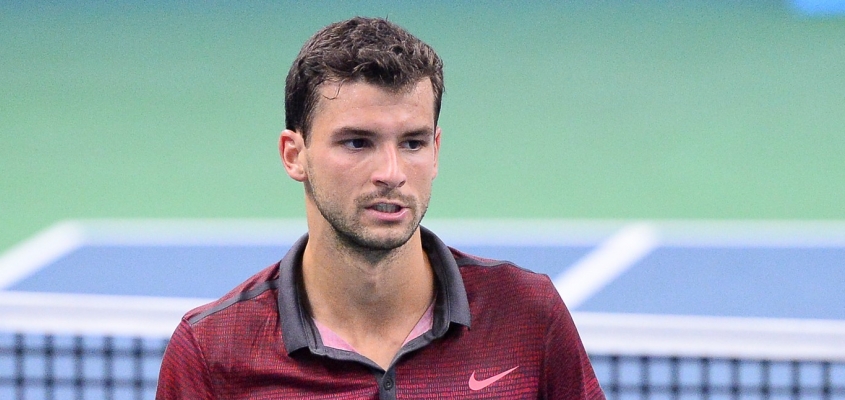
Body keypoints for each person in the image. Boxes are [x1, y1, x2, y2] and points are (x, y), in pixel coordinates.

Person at [157, 17, 605, 399]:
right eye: (357, 142)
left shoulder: (527, 316)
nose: (391, 172)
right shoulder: (213, 352)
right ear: (294, 155)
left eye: (412, 143)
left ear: (436, 151)